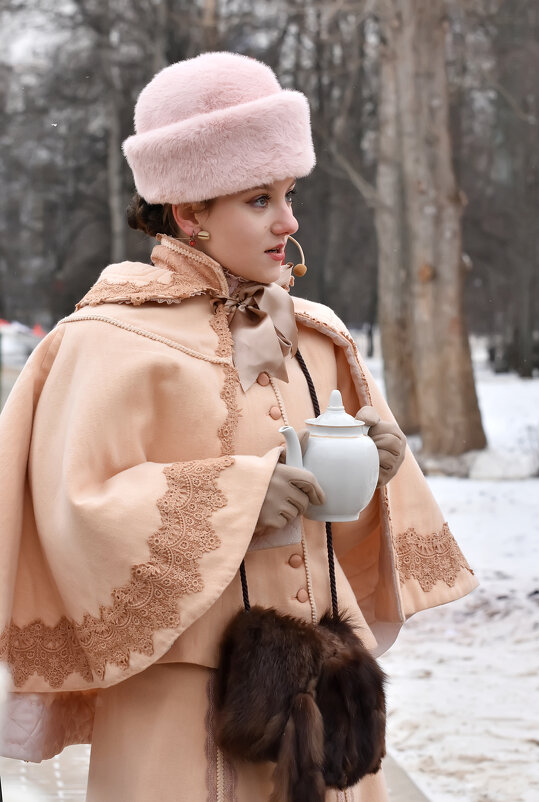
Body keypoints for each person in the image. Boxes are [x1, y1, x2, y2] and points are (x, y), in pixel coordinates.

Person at [0, 52, 478, 801]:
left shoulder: (315, 336)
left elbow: (337, 538)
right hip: (179, 705)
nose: (288, 221)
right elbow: (75, 509)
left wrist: (369, 478)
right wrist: (236, 496)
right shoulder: (106, 341)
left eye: (288, 194)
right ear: (188, 212)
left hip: (320, 695)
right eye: (259, 199)